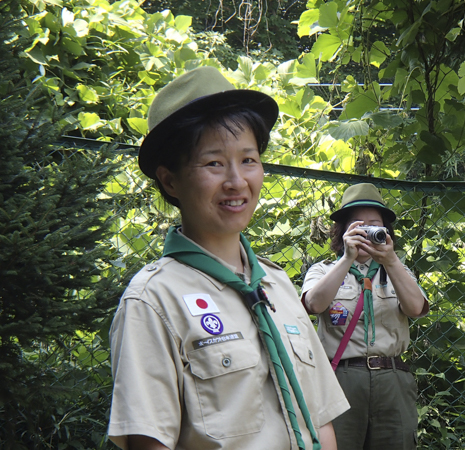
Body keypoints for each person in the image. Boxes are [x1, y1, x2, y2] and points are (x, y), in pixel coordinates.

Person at [107, 66, 349, 450]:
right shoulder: (152, 301)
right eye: (214, 163)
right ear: (170, 180)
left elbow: (319, 421)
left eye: (248, 160)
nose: (237, 181)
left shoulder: (277, 285)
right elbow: (150, 442)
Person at [301, 183, 430, 450]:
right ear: (344, 231)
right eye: (359, 225)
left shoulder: (398, 270)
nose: (367, 232)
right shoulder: (324, 269)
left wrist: (390, 261)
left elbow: (416, 309)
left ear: (386, 232)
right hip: (341, 379)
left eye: (374, 225)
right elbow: (313, 304)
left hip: (392, 379)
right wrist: (346, 259)